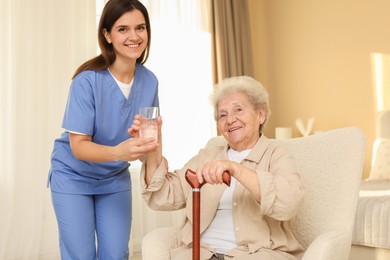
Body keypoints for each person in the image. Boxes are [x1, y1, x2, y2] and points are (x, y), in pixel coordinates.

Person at [133, 76, 305, 260]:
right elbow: (162, 196)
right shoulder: (207, 156)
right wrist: (153, 149)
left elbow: (289, 203)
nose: (230, 119)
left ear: (261, 114)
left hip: (257, 254)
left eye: (238, 109)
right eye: (223, 115)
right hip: (202, 253)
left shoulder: (276, 154)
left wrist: (236, 169)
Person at [47, 0, 159, 259]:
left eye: (140, 28)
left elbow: (148, 140)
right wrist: (121, 152)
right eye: (123, 29)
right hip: (73, 176)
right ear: (107, 35)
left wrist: (148, 147)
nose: (134, 36)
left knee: (116, 253)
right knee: (81, 254)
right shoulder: (87, 80)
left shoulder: (150, 81)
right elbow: (79, 146)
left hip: (113, 177)